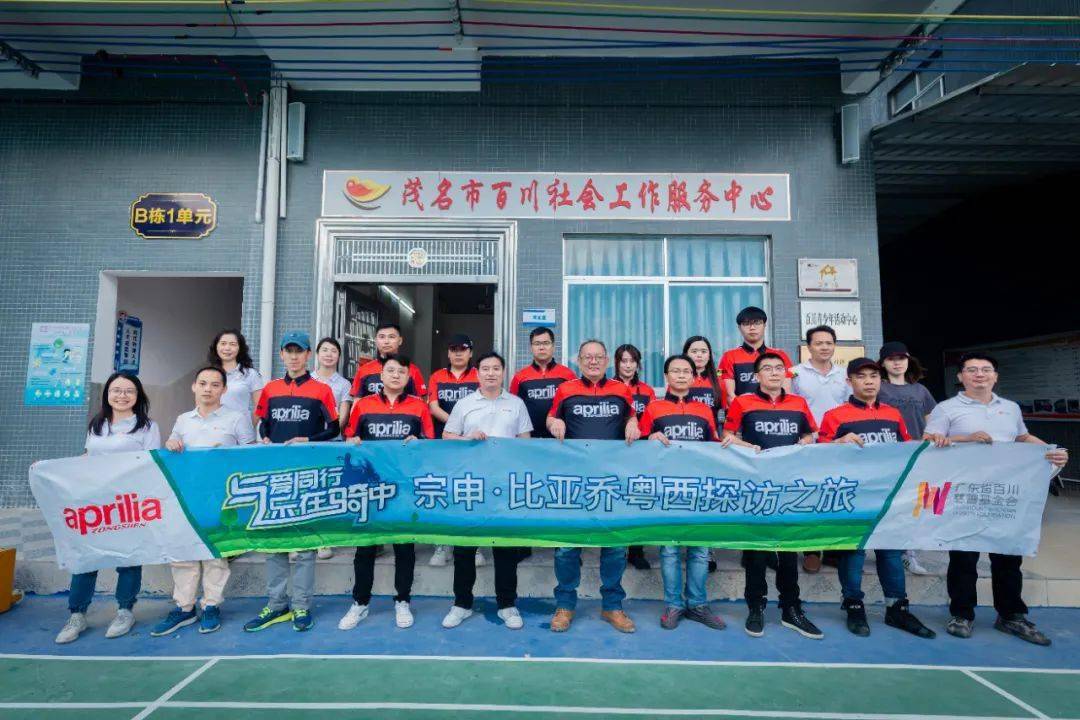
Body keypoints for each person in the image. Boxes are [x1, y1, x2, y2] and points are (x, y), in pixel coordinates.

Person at [924, 352, 1068, 646]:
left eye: (986, 369)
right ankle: (962, 614)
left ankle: (1011, 615)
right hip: (964, 494)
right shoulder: (946, 408)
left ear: (995, 376)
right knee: (963, 557)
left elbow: (1022, 438)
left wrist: (1052, 450)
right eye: (972, 370)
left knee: (1008, 556)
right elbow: (928, 443)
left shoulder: (1010, 408)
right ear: (960, 376)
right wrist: (966, 439)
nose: (979, 374)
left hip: (1004, 494)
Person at [817, 358, 934, 639]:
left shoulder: (893, 414)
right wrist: (837, 442)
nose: (869, 381)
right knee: (853, 552)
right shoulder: (835, 415)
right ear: (849, 382)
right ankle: (854, 605)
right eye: (861, 376)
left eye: (873, 376)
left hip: (888, 496)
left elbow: (907, 449)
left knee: (891, 552)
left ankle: (897, 608)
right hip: (854, 496)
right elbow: (818, 452)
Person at [55, 372, 162, 644]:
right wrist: (51, 470)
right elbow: (89, 458)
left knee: (128, 559)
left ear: (138, 396)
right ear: (107, 394)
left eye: (129, 391)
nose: (122, 395)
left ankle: (125, 611)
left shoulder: (147, 427)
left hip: (128, 504)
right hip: (95, 504)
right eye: (116, 390)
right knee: (86, 558)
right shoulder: (97, 424)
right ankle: (77, 614)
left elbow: (152, 464)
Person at [244, 331, 339, 634]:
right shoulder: (270, 389)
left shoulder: (322, 390)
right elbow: (263, 423)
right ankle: (276, 604)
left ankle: (301, 605)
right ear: (282, 354)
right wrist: (264, 437)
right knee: (275, 545)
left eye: (300, 351)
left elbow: (334, 428)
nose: (294, 356)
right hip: (275, 476)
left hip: (307, 476)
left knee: (305, 548)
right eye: (289, 351)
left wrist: (308, 440)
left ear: (308, 355)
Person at [723, 352, 822, 640]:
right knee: (756, 553)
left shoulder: (798, 403)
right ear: (757, 376)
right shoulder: (743, 402)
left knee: (788, 552)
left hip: (790, 487)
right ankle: (756, 607)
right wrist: (746, 446)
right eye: (767, 368)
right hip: (756, 488)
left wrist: (804, 442)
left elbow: (811, 435)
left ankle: (791, 609)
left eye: (779, 368)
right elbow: (727, 437)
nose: (775, 372)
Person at [152, 366, 256, 636]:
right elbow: (173, 444)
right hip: (187, 495)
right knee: (184, 553)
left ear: (224, 389)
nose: (208, 389)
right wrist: (171, 443)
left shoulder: (237, 418)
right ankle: (184, 608)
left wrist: (227, 457)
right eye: (203, 383)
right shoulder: (183, 420)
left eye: (214, 384)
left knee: (215, 554)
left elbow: (250, 455)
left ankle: (211, 606)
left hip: (221, 496)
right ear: (194, 387)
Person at [546, 339, 640, 634]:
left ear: (607, 362)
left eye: (599, 357)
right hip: (574, 481)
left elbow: (632, 416)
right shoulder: (566, 389)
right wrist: (553, 424)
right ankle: (565, 605)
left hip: (611, 481)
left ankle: (612, 606)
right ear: (579, 361)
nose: (593, 361)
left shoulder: (621, 390)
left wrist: (633, 423)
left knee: (614, 546)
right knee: (566, 548)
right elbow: (551, 416)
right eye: (587, 357)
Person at [338, 354, 434, 631]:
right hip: (370, 489)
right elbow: (349, 437)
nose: (395, 375)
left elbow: (430, 443)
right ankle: (360, 602)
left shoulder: (419, 406)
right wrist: (352, 440)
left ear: (408, 377)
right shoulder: (363, 405)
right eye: (390, 370)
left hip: (404, 488)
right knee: (365, 548)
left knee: (404, 547)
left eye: (401, 372)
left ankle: (402, 600)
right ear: (381, 376)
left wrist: (419, 441)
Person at [441, 351, 533, 630]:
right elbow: (446, 436)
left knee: (505, 549)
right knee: (464, 548)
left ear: (503, 372)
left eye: (496, 368)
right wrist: (467, 438)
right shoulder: (464, 404)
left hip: (504, 486)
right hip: (471, 485)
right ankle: (461, 603)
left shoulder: (516, 404)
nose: (491, 373)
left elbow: (526, 442)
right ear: (477, 373)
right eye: (485, 368)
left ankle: (507, 605)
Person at [639, 354, 726, 631]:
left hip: (700, 488)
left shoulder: (704, 410)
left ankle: (698, 605)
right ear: (666, 377)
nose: (680, 375)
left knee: (700, 551)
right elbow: (638, 445)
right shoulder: (653, 408)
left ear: (693, 376)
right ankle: (674, 605)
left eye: (686, 371)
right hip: (667, 489)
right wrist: (650, 437)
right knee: (669, 550)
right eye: (675, 371)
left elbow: (713, 446)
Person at [877, 341, 939, 575]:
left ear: (908, 360)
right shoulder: (878, 388)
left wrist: (933, 438)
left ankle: (908, 553)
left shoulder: (920, 390)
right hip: (887, 455)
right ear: (883, 363)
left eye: (901, 358)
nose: (897, 363)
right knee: (889, 505)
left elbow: (933, 419)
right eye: (891, 359)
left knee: (913, 505)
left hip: (917, 455)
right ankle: (887, 551)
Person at [791, 325, 848, 574]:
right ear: (809, 347)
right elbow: (790, 407)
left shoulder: (845, 374)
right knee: (809, 496)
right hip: (807, 445)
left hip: (837, 444)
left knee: (835, 494)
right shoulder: (795, 373)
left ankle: (834, 550)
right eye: (818, 343)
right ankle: (811, 550)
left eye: (829, 343)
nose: (824, 347)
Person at [426, 334, 485, 569]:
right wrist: (456, 425)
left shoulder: (479, 375)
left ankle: (475, 545)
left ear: (471, 353)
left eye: (463, 349)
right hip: (446, 444)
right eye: (453, 349)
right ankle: (443, 544)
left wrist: (465, 429)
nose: (458, 353)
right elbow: (433, 407)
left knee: (472, 492)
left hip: (474, 445)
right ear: (448, 353)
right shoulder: (437, 376)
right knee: (445, 492)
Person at [613, 343, 657, 571]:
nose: (628, 365)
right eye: (624, 361)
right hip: (614, 450)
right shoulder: (609, 387)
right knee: (616, 498)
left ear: (638, 364)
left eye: (632, 361)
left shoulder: (647, 391)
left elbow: (653, 419)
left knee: (638, 499)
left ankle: (636, 551)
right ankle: (616, 548)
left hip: (640, 451)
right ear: (617, 363)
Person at [310, 336, 352, 560]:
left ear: (339, 356)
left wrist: (331, 431)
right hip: (308, 443)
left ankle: (324, 539)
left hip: (332, 441)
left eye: (333, 351)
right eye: (324, 350)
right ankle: (304, 539)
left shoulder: (344, 384)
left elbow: (342, 416)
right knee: (308, 489)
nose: (328, 354)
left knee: (328, 490)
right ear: (317, 354)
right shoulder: (307, 380)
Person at [719, 306, 793, 408]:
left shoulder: (780, 355)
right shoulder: (729, 356)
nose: (752, 327)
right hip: (742, 413)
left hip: (774, 413)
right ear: (739, 328)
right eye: (746, 324)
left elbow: (786, 391)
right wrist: (751, 413)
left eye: (757, 323)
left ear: (764, 325)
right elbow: (729, 395)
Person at [510, 327, 576, 439]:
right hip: (530, 439)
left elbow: (574, 407)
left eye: (546, 343)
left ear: (553, 346)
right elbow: (513, 408)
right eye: (537, 344)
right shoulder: (519, 377)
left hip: (561, 439)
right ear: (531, 347)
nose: (541, 347)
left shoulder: (568, 375)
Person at [349, 323, 427, 400]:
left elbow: (420, 402)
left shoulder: (412, 370)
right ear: (376, 341)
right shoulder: (363, 370)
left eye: (391, 337)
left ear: (400, 340)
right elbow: (357, 402)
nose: (386, 341)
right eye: (382, 337)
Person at [208, 329, 265, 424]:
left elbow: (261, 405)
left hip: (240, 429)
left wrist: (249, 426)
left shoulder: (251, 374)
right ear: (216, 347)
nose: (227, 348)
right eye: (223, 343)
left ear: (240, 348)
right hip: (212, 428)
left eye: (232, 344)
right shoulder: (208, 374)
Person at [682, 336, 723, 415]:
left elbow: (723, 411)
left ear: (709, 356)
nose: (699, 355)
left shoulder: (719, 381)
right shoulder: (678, 380)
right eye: (694, 351)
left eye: (703, 351)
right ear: (686, 355)